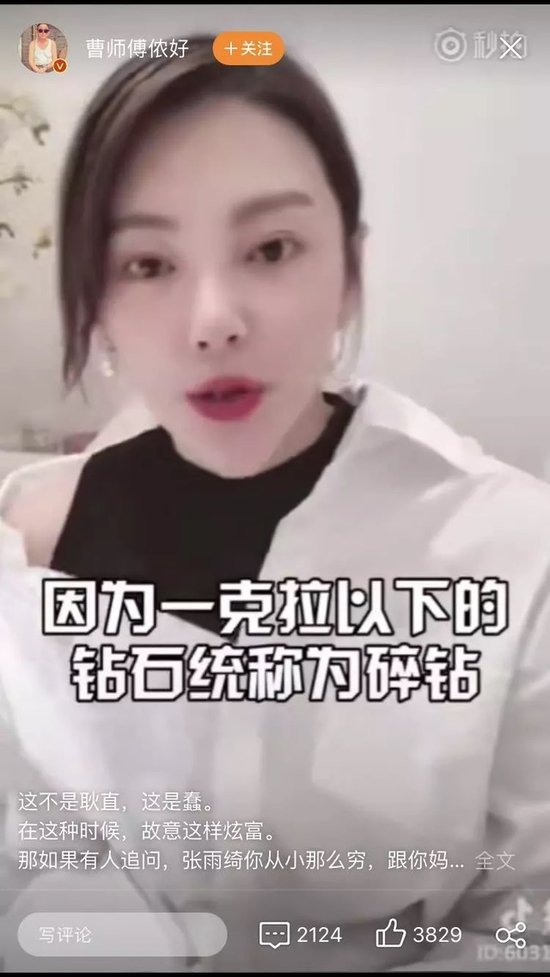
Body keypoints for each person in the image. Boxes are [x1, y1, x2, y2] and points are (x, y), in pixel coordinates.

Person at [1, 33, 550, 972]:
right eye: (148, 263)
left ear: (348, 274)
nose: (214, 319)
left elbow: (530, 924)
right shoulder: (34, 540)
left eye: (271, 248)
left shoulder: (513, 554)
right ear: (96, 304)